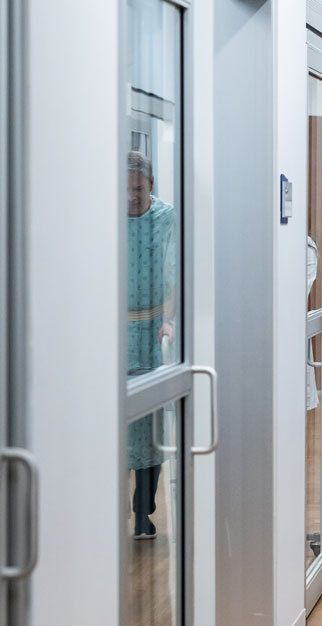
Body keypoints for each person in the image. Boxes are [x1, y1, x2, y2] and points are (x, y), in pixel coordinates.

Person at [126, 151, 177, 540]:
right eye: (126, 191)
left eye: (139, 190)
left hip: (153, 331)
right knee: (118, 429)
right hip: (115, 332)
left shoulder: (166, 219)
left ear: (152, 185)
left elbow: (174, 274)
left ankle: (144, 509)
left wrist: (168, 320)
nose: (131, 198)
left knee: (150, 428)